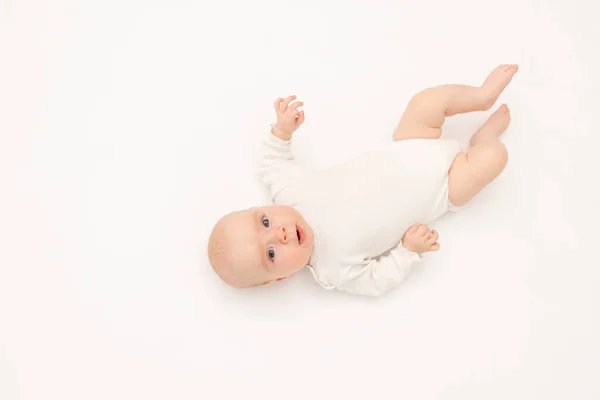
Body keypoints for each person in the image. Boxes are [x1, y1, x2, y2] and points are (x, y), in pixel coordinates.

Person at [208, 64, 518, 296]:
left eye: (265, 223)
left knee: (425, 103)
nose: (282, 233)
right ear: (281, 278)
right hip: (445, 187)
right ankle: (485, 137)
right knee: (492, 159)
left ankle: (481, 95)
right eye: (271, 253)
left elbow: (271, 160)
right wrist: (407, 251)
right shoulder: (332, 269)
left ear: (260, 207)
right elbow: (376, 281)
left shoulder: (290, 193)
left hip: (411, 142)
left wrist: (282, 131)